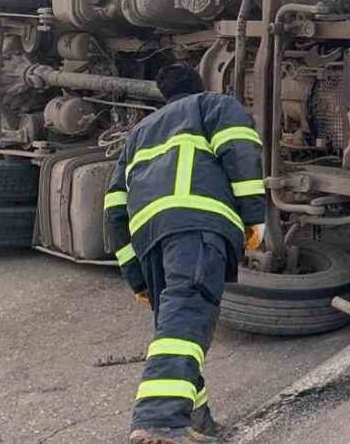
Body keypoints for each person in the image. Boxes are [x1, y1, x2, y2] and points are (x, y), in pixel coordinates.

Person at [106, 63, 267, 444]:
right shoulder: (213, 104)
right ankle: (158, 420)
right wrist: (254, 217)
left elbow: (113, 209)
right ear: (200, 84)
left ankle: (198, 420)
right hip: (198, 224)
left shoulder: (137, 134)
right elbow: (240, 151)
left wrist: (136, 277)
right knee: (186, 317)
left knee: (176, 330)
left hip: (150, 240)